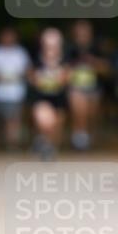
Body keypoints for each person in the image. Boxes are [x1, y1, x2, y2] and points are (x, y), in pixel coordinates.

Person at [0, 27, 31, 150]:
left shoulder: (20, 53)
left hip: (16, 93)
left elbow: (28, 71)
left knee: (14, 119)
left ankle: (12, 144)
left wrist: (20, 75)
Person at [66, 19, 109, 151]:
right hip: (75, 87)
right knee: (79, 111)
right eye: (80, 31)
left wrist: (94, 62)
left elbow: (107, 69)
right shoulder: (69, 49)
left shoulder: (97, 48)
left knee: (91, 114)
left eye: (85, 31)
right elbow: (64, 69)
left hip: (94, 88)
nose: (82, 34)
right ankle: (78, 137)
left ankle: (88, 138)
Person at [27, 28, 70, 160]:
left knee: (56, 127)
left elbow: (66, 78)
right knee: (45, 121)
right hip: (41, 98)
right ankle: (43, 143)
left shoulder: (65, 59)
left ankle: (49, 148)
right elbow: (31, 77)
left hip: (59, 99)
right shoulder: (36, 59)